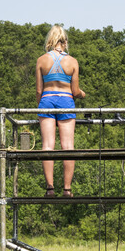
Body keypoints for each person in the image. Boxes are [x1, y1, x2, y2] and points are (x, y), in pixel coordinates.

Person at [35, 25, 86, 197]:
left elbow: (38, 91)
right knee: (67, 146)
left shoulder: (41, 60)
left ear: (51, 41)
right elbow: (75, 91)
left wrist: (40, 108)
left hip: (47, 100)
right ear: (64, 42)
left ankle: (50, 188)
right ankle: (67, 189)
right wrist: (82, 94)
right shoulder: (72, 61)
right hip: (66, 100)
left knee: (48, 146)